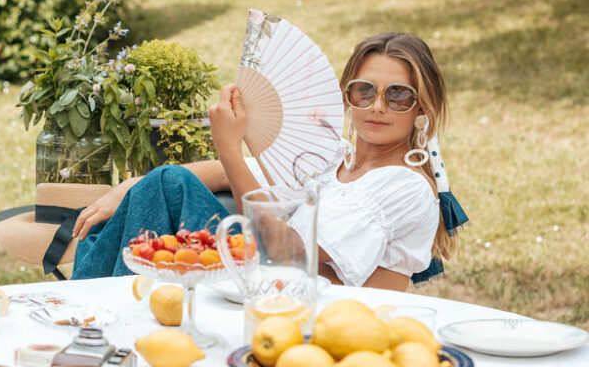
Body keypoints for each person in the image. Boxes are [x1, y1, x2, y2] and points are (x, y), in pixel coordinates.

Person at [70, 31, 465, 290]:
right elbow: (223, 174)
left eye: (398, 95)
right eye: (364, 91)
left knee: (167, 187)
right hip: (269, 289)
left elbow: (289, 254)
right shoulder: (333, 159)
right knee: (164, 182)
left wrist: (229, 145)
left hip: (316, 315)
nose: (377, 106)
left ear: (421, 108)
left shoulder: (405, 186)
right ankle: (90, 307)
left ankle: (88, 308)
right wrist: (125, 189)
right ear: (347, 96)